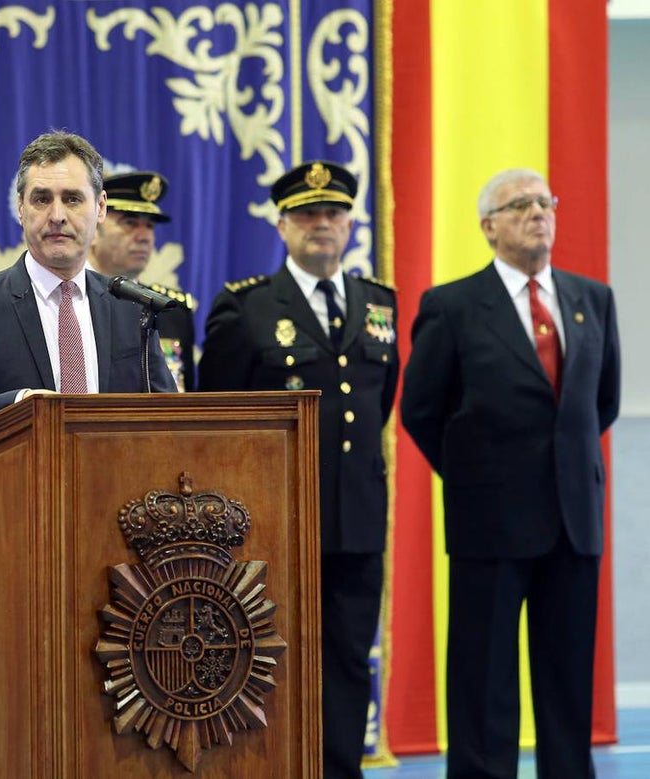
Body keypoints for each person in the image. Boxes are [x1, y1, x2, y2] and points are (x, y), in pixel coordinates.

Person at [400, 168, 621, 778]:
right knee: (484, 680)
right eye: (519, 204)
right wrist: (475, 475)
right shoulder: (452, 305)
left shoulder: (592, 300)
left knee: (568, 678)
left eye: (545, 201)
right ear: (488, 226)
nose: (537, 212)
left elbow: (601, 404)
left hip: (574, 520)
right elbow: (421, 409)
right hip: (489, 520)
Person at [197, 161, 398, 779]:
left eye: (333, 213)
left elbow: (381, 401)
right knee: (267, 661)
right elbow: (217, 420)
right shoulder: (248, 307)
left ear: (350, 225)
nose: (321, 224)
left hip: (356, 521)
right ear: (282, 225)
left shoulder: (379, 303)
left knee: (348, 659)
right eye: (307, 214)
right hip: (274, 523)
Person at [0, 130, 177, 437]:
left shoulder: (131, 307)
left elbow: (168, 416)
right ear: (20, 208)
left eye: (72, 199)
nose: (57, 215)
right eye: (42, 199)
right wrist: (24, 405)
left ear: (100, 207)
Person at [89, 170, 197, 390]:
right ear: (93, 229)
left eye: (150, 226)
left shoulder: (169, 310)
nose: (144, 236)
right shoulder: (69, 300)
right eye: (130, 223)